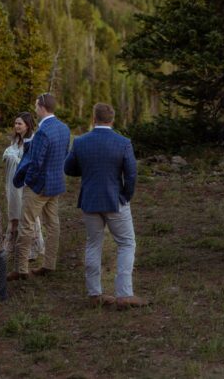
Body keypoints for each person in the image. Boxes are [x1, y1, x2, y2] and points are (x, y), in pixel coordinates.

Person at [65, 102, 146, 308]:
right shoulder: (123, 142)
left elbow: (69, 168)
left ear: (94, 118)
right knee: (127, 243)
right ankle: (124, 294)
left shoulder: (81, 141)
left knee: (93, 243)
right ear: (112, 119)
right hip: (115, 200)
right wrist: (125, 196)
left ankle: (94, 293)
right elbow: (131, 173)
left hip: (90, 199)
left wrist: (87, 172)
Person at [8, 92, 70, 280]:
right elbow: (64, 155)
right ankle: (49, 264)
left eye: (36, 106)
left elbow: (36, 162)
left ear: (42, 108)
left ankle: (21, 269)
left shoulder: (43, 132)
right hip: (56, 184)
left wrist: (29, 181)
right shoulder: (64, 128)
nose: (35, 109)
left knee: (26, 225)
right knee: (53, 225)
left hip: (39, 186)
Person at [2, 112, 45, 272]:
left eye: (19, 123)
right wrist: (10, 155)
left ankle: (32, 248)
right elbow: (10, 152)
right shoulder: (16, 140)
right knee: (14, 211)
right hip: (13, 182)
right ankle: (12, 245)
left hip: (26, 183)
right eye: (15, 123)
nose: (16, 126)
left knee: (27, 213)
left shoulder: (33, 141)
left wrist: (15, 158)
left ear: (27, 125)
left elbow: (32, 163)